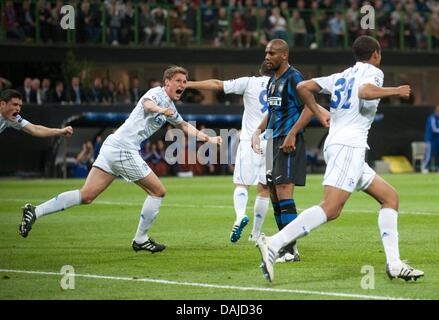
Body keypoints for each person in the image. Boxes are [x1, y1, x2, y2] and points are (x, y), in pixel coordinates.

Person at [255, 35, 424, 282]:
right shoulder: (373, 72)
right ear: (376, 54)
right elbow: (365, 92)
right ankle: (274, 243)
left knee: (390, 198)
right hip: (348, 146)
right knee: (331, 208)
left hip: (339, 144)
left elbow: (304, 88)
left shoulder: (342, 75)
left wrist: (319, 111)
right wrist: (396, 91)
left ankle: (395, 264)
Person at [19, 66, 222, 254]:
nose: (182, 85)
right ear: (167, 82)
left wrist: (209, 138)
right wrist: (161, 111)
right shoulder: (156, 94)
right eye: (178, 81)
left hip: (113, 146)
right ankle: (141, 239)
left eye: (184, 82)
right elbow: (147, 104)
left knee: (87, 195)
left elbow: (185, 126)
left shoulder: (170, 105)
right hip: (124, 149)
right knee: (158, 191)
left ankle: (35, 211)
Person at [251, 39, 329, 263]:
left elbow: (309, 107)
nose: (267, 56)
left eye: (272, 53)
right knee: (273, 194)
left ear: (284, 55)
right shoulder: (272, 80)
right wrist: (258, 130)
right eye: (266, 52)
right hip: (271, 141)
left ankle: (290, 249)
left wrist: (293, 133)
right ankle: (286, 247)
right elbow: (273, 110)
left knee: (284, 192)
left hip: (288, 141)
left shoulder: (294, 77)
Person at [186, 62, 273, 244]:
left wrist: (189, 84)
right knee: (264, 189)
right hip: (272, 141)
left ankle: (240, 216)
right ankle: (256, 234)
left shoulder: (250, 82)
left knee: (242, 184)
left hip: (251, 139)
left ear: (260, 71)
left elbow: (218, 85)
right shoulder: (281, 85)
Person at [0, 89, 73, 137]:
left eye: (20, 106)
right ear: (2, 104)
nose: (18, 109)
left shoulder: (12, 117)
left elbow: (35, 129)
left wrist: (61, 131)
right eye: (15, 104)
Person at [421, 105, 439, 173]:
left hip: (437, 140)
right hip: (430, 140)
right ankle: (424, 167)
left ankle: (437, 168)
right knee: (429, 154)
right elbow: (434, 128)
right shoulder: (432, 118)